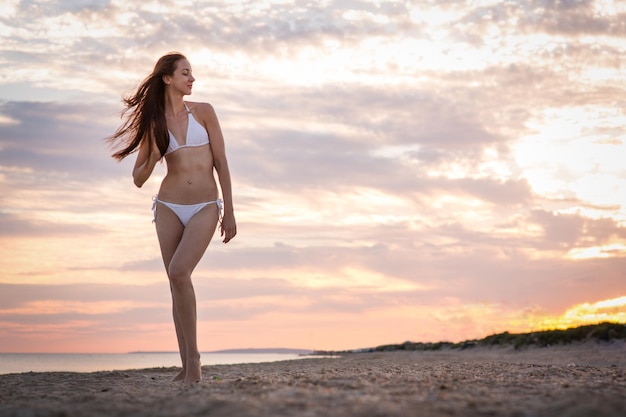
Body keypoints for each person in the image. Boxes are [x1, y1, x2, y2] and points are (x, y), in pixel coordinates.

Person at [108, 52, 236, 384]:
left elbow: (221, 162)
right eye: (185, 73)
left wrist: (231, 211)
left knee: (180, 271)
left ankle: (194, 363)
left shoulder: (204, 112)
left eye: (192, 73)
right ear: (168, 78)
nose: (192, 79)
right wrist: (151, 154)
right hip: (168, 207)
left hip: (205, 205)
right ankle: (186, 364)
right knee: (176, 281)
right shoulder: (156, 123)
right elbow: (138, 177)